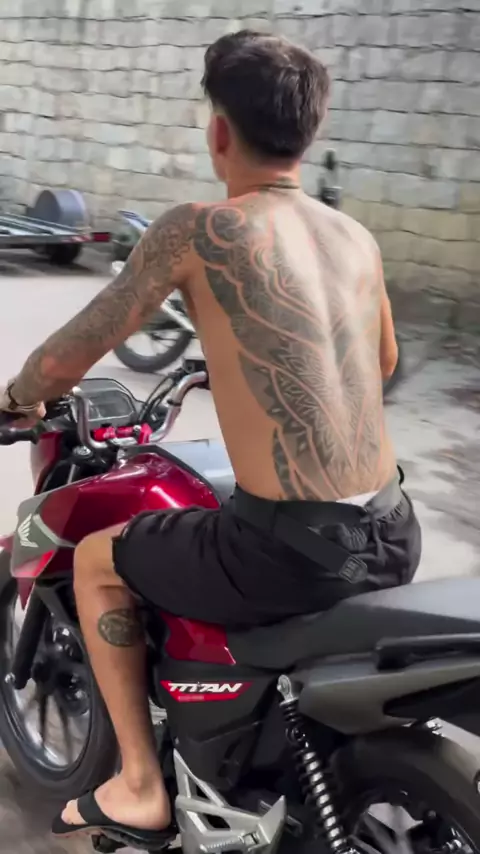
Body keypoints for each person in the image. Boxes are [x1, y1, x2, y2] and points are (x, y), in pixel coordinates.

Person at [0, 30, 421, 844]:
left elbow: (65, 357)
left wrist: (18, 399)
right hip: (394, 528)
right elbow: (383, 362)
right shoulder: (354, 237)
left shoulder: (198, 229)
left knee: (98, 561)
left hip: (286, 552)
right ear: (310, 132)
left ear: (218, 131)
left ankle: (137, 785)